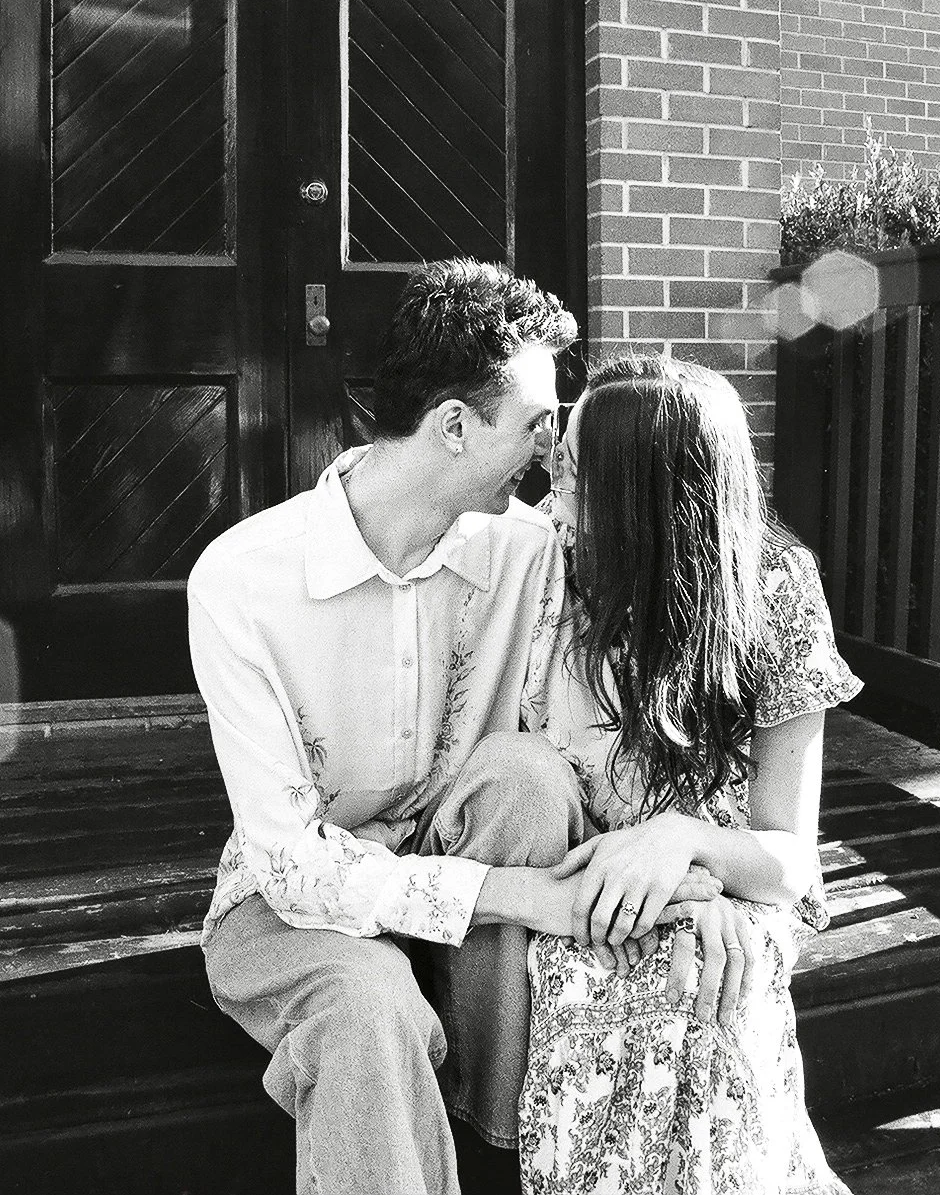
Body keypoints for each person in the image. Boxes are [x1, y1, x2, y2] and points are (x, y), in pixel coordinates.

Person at [188, 262, 718, 1195]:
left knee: (524, 775)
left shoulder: (536, 551)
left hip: (469, 882)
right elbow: (291, 866)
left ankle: (509, 1144)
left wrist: (683, 873)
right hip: (294, 904)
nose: (552, 453)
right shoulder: (241, 581)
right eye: (538, 423)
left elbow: (609, 732)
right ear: (455, 426)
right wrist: (529, 897)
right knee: (368, 1003)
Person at [519, 354, 862, 1195]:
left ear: (642, 495)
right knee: (593, 992)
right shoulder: (547, 572)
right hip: (596, 881)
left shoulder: (774, 588)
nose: (555, 497)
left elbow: (791, 860)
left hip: (733, 881)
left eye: (576, 475)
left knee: (709, 991)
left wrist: (684, 843)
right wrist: (665, 882)